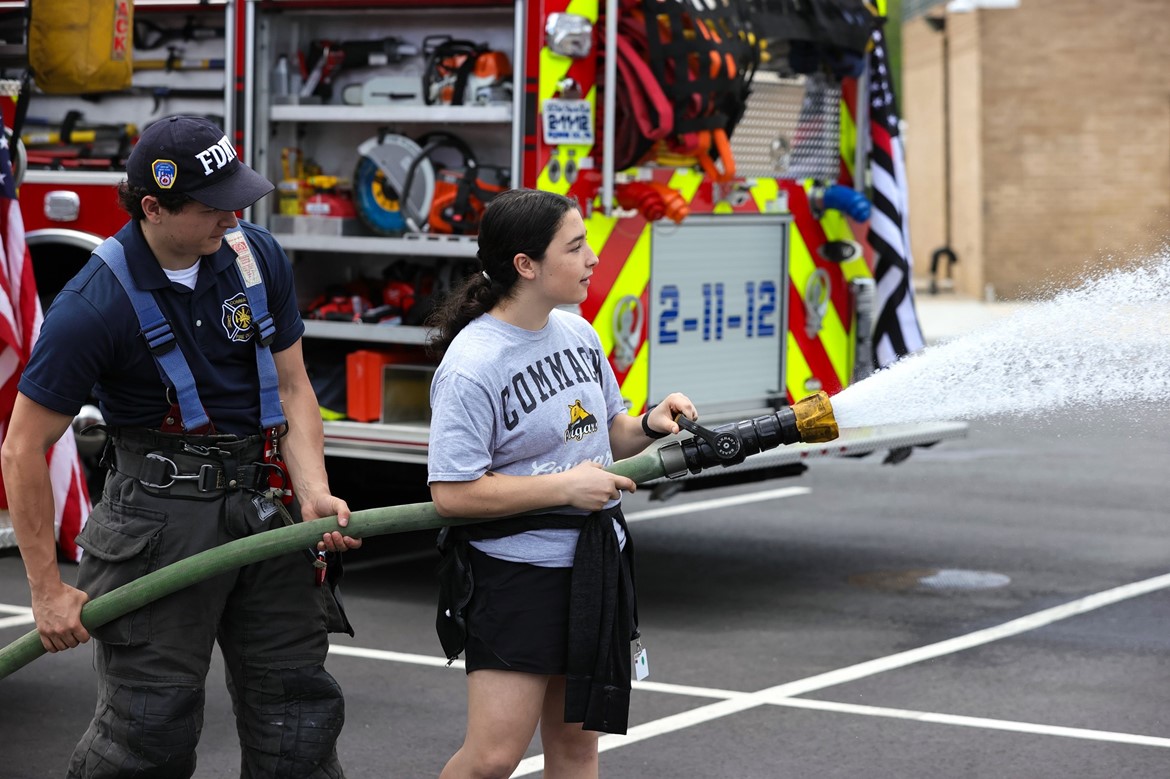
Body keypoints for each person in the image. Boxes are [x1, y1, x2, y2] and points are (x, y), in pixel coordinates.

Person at [0, 115, 362, 778]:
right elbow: (22, 447)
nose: (233, 215)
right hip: (156, 520)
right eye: (212, 206)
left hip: (267, 504)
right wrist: (47, 591)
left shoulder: (257, 254)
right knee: (147, 731)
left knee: (298, 721)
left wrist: (312, 492)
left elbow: (292, 385)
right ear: (153, 208)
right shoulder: (92, 302)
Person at [426, 188, 698, 778]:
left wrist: (650, 424)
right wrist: (564, 490)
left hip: (595, 568)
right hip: (516, 577)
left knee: (577, 750)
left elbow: (609, 435)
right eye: (574, 247)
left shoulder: (578, 333)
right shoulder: (473, 365)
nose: (593, 258)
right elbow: (451, 494)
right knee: (493, 758)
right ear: (525, 266)